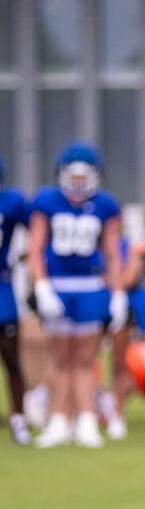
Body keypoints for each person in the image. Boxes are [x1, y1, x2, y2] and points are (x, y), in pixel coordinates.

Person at [26, 142, 127, 449]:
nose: (79, 183)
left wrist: (118, 291)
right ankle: (58, 420)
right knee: (60, 359)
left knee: (84, 360)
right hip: (57, 286)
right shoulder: (47, 201)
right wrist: (41, 285)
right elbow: (36, 248)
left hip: (90, 286)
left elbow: (112, 253)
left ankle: (85, 419)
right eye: (75, 176)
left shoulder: (106, 205)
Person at [105, 205, 145, 439]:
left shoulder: (137, 246)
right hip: (119, 311)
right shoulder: (109, 247)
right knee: (122, 365)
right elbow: (125, 279)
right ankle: (117, 414)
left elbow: (136, 278)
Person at [0, 154, 31, 445]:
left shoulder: (11, 201)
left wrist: (25, 256)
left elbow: (40, 229)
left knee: (12, 358)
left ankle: (19, 419)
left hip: (1, 287)